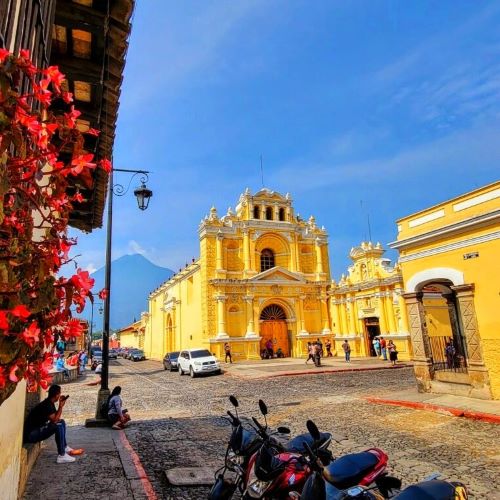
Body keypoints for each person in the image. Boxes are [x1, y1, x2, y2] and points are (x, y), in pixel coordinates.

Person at [24, 384, 83, 463]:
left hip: (36, 430)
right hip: (31, 435)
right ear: (56, 395)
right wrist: (61, 406)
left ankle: (64, 447)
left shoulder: (49, 403)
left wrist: (60, 406)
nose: (59, 396)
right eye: (59, 394)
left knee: (61, 422)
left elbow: (56, 419)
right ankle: (62, 455)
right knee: (57, 426)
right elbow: (55, 420)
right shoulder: (47, 405)